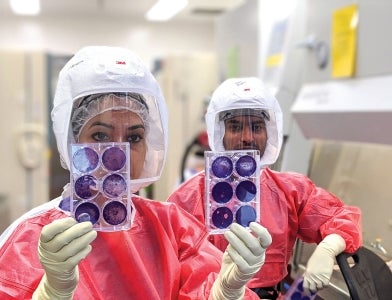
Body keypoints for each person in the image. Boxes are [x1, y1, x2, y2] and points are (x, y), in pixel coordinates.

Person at [0, 47, 272, 300]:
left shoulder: (172, 227)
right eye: (100, 135)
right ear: (72, 142)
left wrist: (227, 290)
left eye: (134, 137)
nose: (119, 154)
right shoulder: (32, 238)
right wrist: (51, 292)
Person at [167, 77, 362, 298]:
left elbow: (339, 218)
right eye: (235, 127)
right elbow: (170, 274)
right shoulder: (188, 198)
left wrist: (329, 247)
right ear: (219, 132)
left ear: (269, 131)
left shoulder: (290, 190)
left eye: (256, 126)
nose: (247, 137)